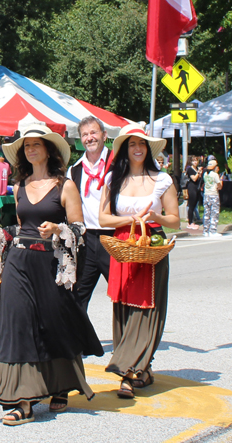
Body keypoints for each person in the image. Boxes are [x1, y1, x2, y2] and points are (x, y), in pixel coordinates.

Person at [0, 123, 103, 426]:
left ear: (48, 149)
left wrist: (58, 229)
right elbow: (21, 229)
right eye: (26, 146)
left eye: (36, 144)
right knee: (17, 324)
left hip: (51, 264)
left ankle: (61, 384)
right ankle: (24, 400)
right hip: (19, 262)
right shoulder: (19, 185)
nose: (31, 149)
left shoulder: (65, 186)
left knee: (54, 325)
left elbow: (79, 228)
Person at [98, 123, 180, 399]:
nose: (137, 148)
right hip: (123, 246)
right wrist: (130, 220)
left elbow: (174, 219)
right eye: (132, 144)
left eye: (142, 144)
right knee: (124, 307)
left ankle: (128, 372)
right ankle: (138, 368)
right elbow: (103, 219)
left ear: (147, 149)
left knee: (148, 308)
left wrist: (155, 218)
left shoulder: (163, 180)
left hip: (151, 244)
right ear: (124, 149)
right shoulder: (114, 179)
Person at [68, 116, 113, 309]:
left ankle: (127, 338)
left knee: (123, 294)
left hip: (114, 238)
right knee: (77, 297)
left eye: (93, 132)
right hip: (87, 239)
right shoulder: (75, 170)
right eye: (85, 134)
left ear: (104, 135)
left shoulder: (118, 162)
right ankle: (78, 339)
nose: (89, 138)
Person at [203, 159, 222, 238]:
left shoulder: (205, 174)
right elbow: (219, 186)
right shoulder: (215, 175)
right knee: (214, 213)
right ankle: (213, 231)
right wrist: (221, 180)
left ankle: (206, 231)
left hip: (206, 194)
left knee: (207, 213)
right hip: (214, 195)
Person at [185, 156, 203, 230]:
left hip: (197, 188)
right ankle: (190, 222)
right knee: (191, 205)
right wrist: (198, 172)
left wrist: (200, 173)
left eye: (196, 160)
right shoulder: (190, 169)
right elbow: (194, 179)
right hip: (192, 187)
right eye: (193, 161)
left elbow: (199, 178)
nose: (195, 162)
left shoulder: (196, 169)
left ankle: (194, 220)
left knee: (195, 204)